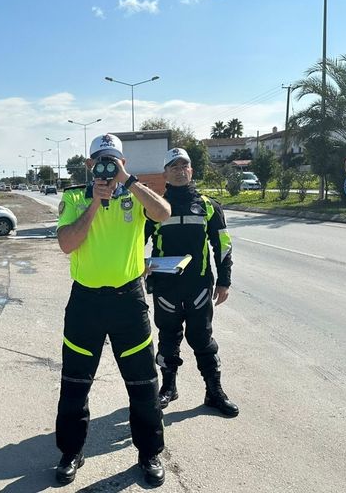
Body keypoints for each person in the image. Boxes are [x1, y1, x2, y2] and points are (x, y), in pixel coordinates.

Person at [54, 133, 171, 487]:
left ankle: (149, 453)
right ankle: (71, 451)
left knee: (143, 383)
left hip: (128, 301)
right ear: (89, 165)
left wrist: (128, 181)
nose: (106, 167)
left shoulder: (135, 194)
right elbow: (67, 243)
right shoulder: (75, 195)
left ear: (122, 163)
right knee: (75, 382)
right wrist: (94, 203)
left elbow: (163, 214)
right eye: (100, 161)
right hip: (86, 301)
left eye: (113, 161)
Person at [145, 148, 238, 417]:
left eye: (184, 165)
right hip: (166, 287)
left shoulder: (209, 205)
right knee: (168, 339)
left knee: (202, 339)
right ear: (165, 173)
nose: (179, 169)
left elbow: (222, 246)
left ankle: (214, 392)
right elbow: (136, 242)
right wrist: (139, 266)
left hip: (198, 285)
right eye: (173, 166)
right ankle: (169, 388)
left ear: (191, 171)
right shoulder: (156, 206)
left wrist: (225, 281)